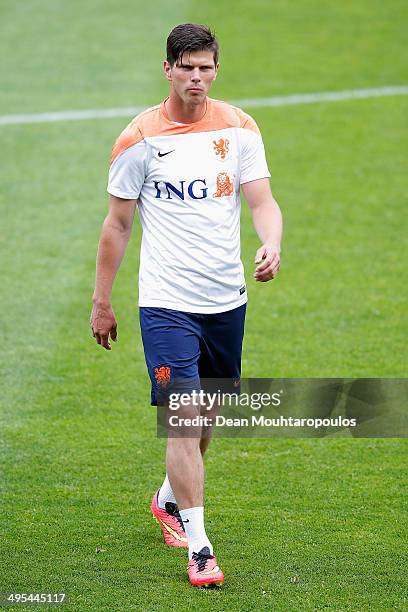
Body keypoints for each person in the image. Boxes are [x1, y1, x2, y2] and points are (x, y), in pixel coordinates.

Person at [90, 23, 283, 588]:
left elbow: (264, 201)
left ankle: (168, 498)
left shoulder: (240, 127)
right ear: (168, 68)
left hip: (227, 300)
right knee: (183, 420)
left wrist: (271, 242)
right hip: (166, 302)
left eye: (205, 68)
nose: (196, 77)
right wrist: (102, 301)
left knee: (206, 420)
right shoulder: (139, 140)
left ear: (215, 70)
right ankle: (200, 547)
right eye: (186, 67)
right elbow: (117, 226)